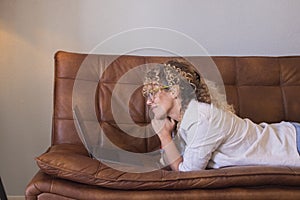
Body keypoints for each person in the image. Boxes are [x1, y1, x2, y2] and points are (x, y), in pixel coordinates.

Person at [142, 60, 300, 172]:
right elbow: (170, 161)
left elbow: (188, 172)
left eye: (153, 93)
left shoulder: (201, 119)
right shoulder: (183, 121)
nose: (148, 102)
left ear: (175, 91)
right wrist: (168, 134)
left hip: (291, 144)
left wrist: (164, 136)